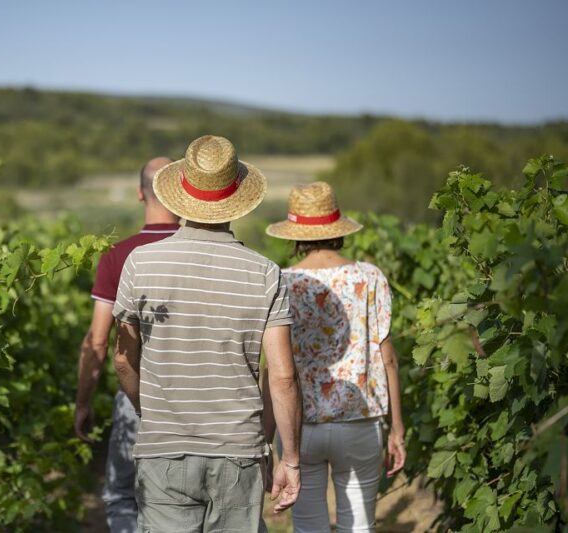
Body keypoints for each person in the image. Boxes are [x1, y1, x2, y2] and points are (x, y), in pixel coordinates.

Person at [112, 135, 302, 532]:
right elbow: (283, 376)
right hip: (238, 454)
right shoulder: (266, 273)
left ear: (180, 193)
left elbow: (124, 359)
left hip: (162, 452)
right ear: (237, 199)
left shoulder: (139, 263)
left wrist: (153, 411)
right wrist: (291, 459)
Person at [264, 181, 406, 533]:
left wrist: (266, 437)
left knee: (309, 526)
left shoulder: (282, 283)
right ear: (337, 228)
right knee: (358, 526)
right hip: (359, 421)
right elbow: (388, 359)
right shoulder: (369, 278)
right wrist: (398, 429)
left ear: (295, 233)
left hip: (300, 427)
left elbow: (274, 369)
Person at [74, 157, 180, 533]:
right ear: (181, 192)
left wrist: (84, 401)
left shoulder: (118, 255)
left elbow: (98, 340)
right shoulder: (203, 253)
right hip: (200, 400)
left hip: (138, 398)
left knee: (122, 497)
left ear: (140, 193)